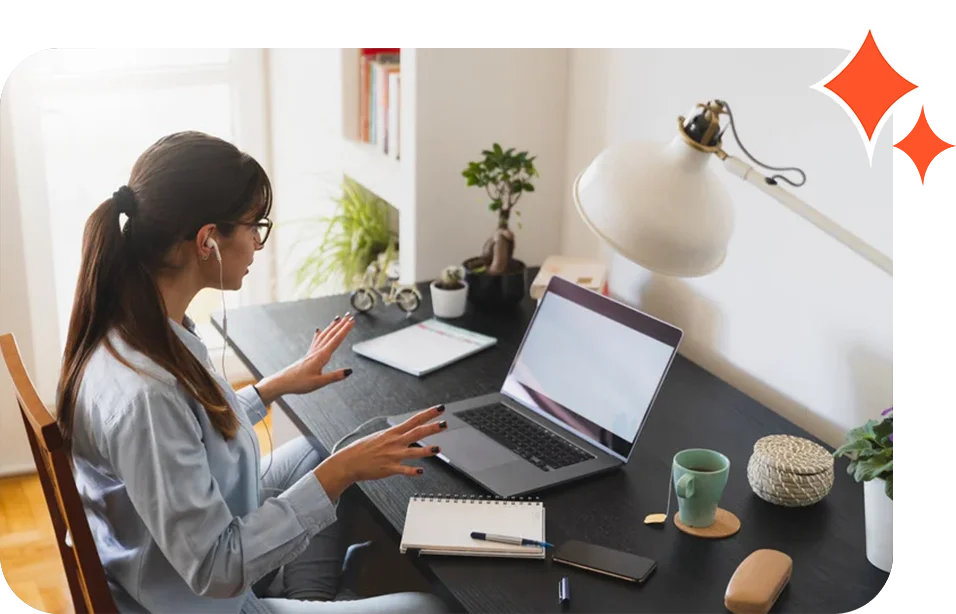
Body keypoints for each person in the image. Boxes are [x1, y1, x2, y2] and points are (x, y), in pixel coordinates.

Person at [56, 131, 451, 614]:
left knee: (328, 446)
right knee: (430, 608)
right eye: (254, 226)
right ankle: (312, 591)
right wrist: (340, 474)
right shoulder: (147, 393)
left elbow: (187, 433)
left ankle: (311, 592)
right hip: (201, 597)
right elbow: (216, 568)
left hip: (174, 551)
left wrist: (271, 388)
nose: (258, 244)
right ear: (208, 241)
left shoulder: (136, 324)